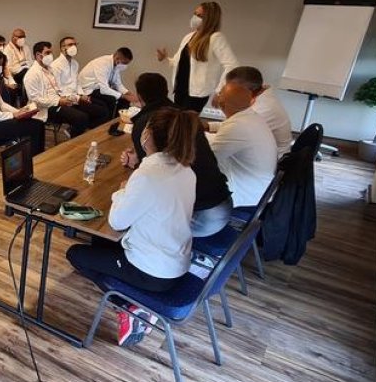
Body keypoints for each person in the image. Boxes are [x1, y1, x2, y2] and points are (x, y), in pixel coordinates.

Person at [67, 107, 202, 346]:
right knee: (101, 241)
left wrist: (121, 192)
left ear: (147, 135)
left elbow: (117, 221)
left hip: (151, 271)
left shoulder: (149, 172)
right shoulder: (186, 169)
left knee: (76, 254)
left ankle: (132, 307)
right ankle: (133, 299)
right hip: (176, 262)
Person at [122, 73, 233, 238]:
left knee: (132, 213)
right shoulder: (186, 116)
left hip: (199, 216)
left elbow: (152, 177)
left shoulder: (146, 123)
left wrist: (135, 164)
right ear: (167, 91)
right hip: (224, 203)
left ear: (139, 96)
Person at [207, 82, 278, 211]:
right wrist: (208, 127)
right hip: (260, 189)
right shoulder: (252, 117)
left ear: (222, 104)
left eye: (219, 93)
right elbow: (228, 128)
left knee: (195, 173)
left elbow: (208, 159)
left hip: (247, 197)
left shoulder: (236, 126)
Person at [157, 1, 239, 112]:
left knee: (185, 124)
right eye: (195, 13)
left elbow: (232, 65)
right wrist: (165, 59)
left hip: (197, 93)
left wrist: (220, 91)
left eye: (200, 16)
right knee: (177, 122)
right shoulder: (189, 36)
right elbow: (179, 62)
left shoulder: (215, 38)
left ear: (209, 19)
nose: (195, 17)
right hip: (180, 89)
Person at [210, 66, 292, 157]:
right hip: (261, 150)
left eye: (232, 89)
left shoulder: (263, 108)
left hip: (272, 158)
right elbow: (235, 126)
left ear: (245, 90)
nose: (227, 92)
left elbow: (232, 132)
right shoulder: (259, 95)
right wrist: (210, 126)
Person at [23, 41, 91, 139]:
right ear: (38, 55)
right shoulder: (32, 74)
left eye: (51, 53)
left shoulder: (50, 69)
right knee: (81, 118)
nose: (50, 56)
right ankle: (74, 145)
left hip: (58, 101)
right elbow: (36, 100)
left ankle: (76, 138)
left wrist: (75, 97)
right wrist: (58, 101)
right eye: (47, 53)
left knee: (87, 110)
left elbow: (59, 89)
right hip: (45, 108)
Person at [51, 36, 111, 126]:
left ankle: (87, 131)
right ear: (63, 48)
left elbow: (77, 82)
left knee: (103, 108)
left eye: (75, 44)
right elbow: (59, 89)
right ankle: (79, 134)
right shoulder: (55, 66)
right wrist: (78, 97)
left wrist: (83, 94)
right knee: (85, 116)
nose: (74, 47)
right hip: (65, 100)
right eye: (70, 44)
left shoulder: (75, 63)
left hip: (76, 97)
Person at [78, 47, 136, 115]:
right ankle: (108, 123)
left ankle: (117, 123)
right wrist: (124, 96)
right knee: (112, 100)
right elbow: (104, 89)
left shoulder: (116, 65)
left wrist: (129, 94)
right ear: (117, 58)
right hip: (88, 89)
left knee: (125, 101)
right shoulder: (102, 63)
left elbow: (117, 84)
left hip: (98, 88)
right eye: (125, 63)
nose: (125, 66)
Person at [0, 34, 23, 106]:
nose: (1, 47)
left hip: (2, 81)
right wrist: (6, 85)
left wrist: (12, 83)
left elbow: (6, 72)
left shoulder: (3, 56)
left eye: (3, 45)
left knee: (18, 87)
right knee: (8, 91)